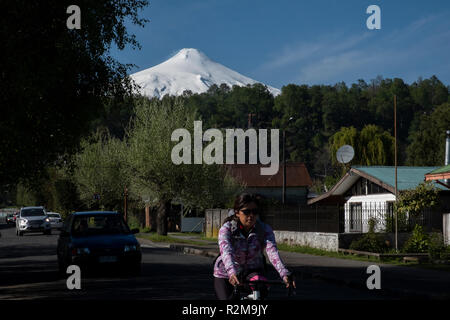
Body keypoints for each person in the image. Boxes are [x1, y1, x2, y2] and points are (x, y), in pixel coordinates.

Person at [213, 193, 296, 300]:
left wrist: (284, 274)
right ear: (237, 212)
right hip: (226, 273)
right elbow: (226, 252)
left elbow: (273, 253)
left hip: (251, 271)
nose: (251, 215)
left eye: (255, 212)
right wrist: (232, 272)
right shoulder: (227, 229)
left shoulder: (264, 229)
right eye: (247, 212)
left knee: (262, 287)